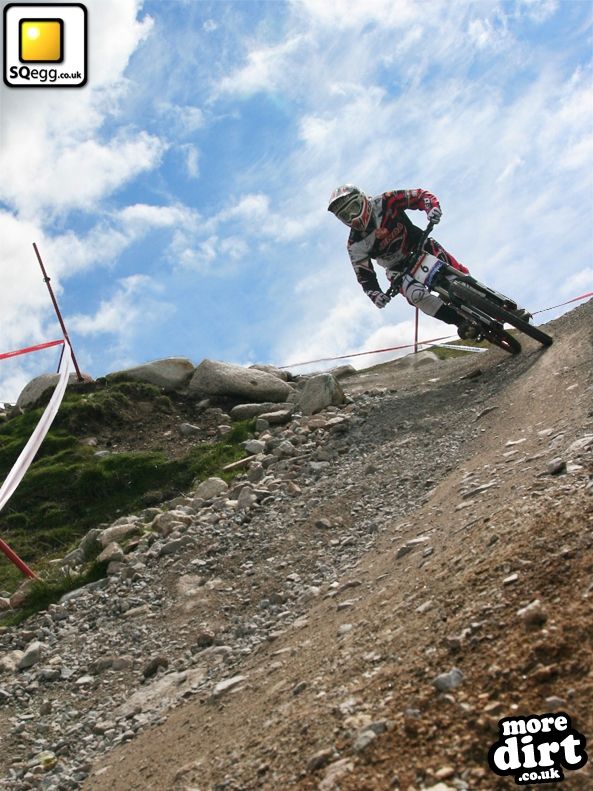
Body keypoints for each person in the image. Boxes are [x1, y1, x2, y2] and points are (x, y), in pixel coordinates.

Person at [327, 184, 480, 339]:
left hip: (420, 246)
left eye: (354, 207)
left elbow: (419, 196)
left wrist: (431, 208)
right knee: (416, 296)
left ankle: (481, 294)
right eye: (345, 215)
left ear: (363, 198)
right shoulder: (354, 245)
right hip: (396, 268)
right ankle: (460, 322)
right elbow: (364, 276)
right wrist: (376, 294)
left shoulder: (386, 201)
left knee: (458, 276)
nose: (352, 216)